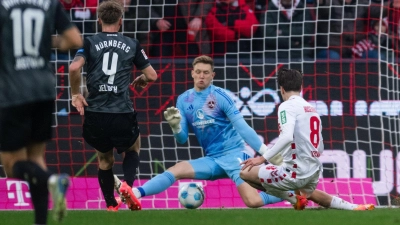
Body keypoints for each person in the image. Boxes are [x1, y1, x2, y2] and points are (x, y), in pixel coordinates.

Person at [125, 55, 286, 210]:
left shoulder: (221, 96)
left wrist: (267, 152)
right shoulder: (183, 100)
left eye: (206, 72)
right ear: (192, 73)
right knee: (177, 169)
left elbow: (243, 128)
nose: (201, 76)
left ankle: (291, 194)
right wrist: (175, 127)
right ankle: (135, 193)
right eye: (198, 72)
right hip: (212, 160)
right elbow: (182, 139)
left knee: (253, 201)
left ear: (212, 75)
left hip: (234, 157)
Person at [239, 68, 375, 211]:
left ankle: (294, 200)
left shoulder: (286, 106)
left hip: (294, 173)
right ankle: (355, 207)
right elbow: (320, 145)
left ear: (282, 89)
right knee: (310, 193)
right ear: (301, 87)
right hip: (313, 171)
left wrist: (261, 159)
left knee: (244, 173)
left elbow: (286, 137)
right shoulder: (311, 109)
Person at [68, 0, 157, 212]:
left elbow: (73, 68)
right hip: (121, 111)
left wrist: (75, 94)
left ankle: (110, 204)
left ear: (99, 20)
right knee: (133, 147)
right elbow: (151, 75)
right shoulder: (132, 44)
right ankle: (127, 184)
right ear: (120, 21)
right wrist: (142, 80)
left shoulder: (89, 42)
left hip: (95, 112)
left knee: (104, 159)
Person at [0, 0, 82, 224]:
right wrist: (44, 41)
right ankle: (41, 221)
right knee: (36, 158)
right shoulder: (49, 4)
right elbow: (74, 40)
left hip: (13, 90)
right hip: (45, 89)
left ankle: (50, 180)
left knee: (11, 165)